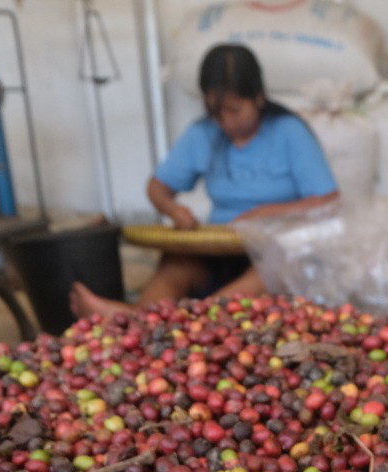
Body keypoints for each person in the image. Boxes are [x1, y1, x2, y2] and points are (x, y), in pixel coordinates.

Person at [71, 44, 338, 318]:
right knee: (176, 264)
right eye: (216, 111)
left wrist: (264, 214)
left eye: (234, 109)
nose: (225, 120)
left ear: (258, 98)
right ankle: (144, 320)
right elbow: (157, 188)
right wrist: (173, 210)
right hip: (220, 248)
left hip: (276, 248)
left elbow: (328, 199)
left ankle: (180, 322)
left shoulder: (289, 132)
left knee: (272, 266)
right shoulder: (203, 133)